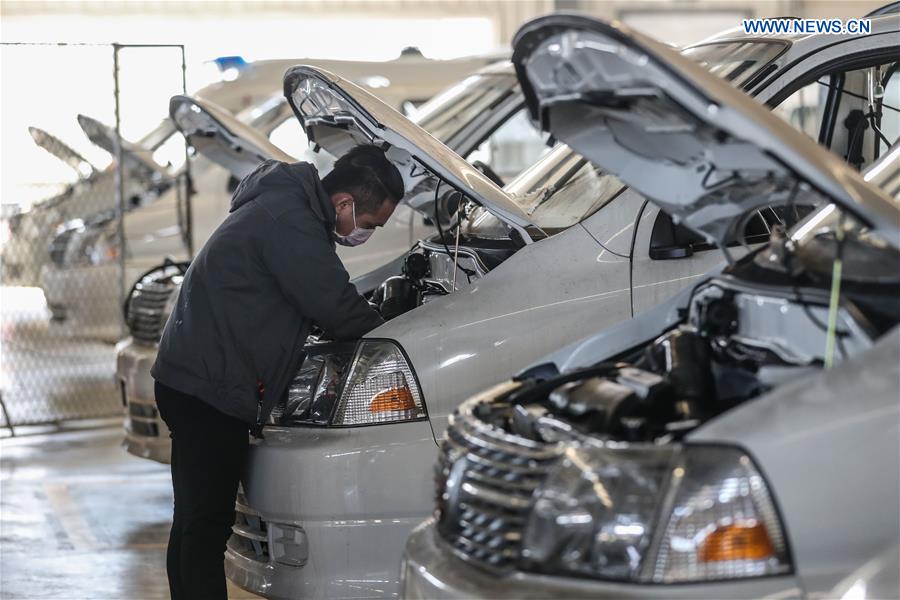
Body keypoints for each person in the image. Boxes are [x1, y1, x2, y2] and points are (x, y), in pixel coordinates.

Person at [151, 144, 404, 599]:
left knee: (192, 519)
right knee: (207, 525)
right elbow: (338, 309)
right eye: (369, 223)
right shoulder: (291, 222)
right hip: (209, 388)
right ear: (344, 203)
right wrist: (401, 331)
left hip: (189, 377)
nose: (365, 233)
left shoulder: (282, 202)